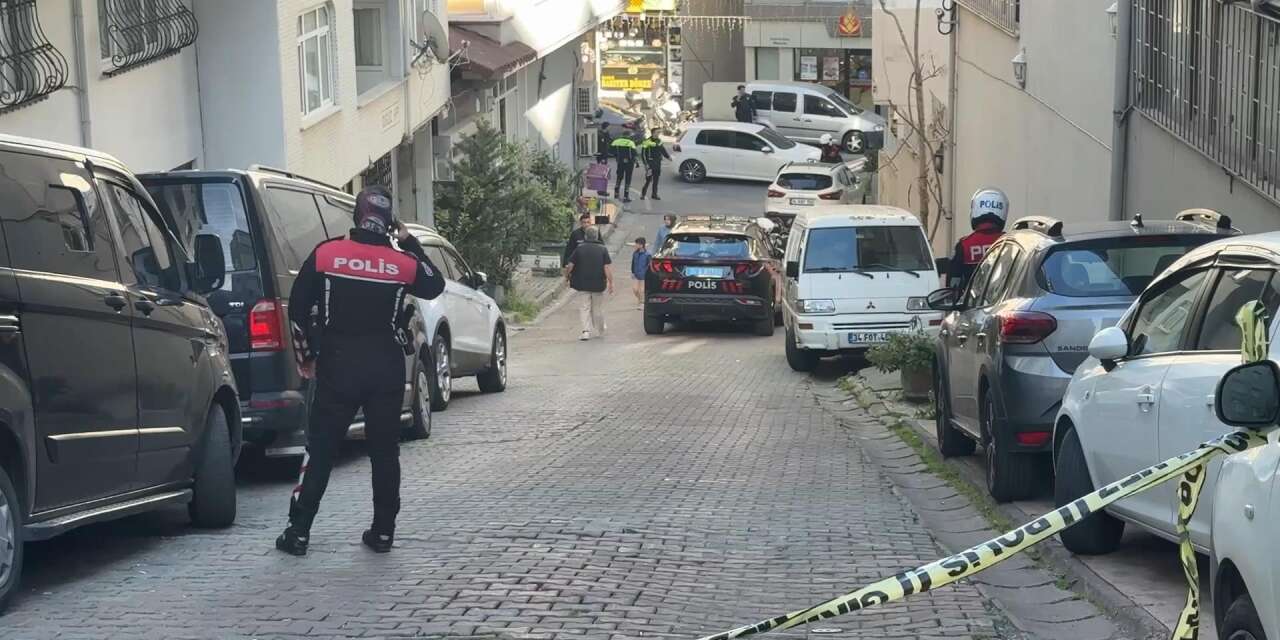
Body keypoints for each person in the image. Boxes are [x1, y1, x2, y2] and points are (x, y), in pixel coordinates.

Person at [276, 186, 446, 556]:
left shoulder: (326, 253)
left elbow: (298, 310)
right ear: (389, 223)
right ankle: (383, 532)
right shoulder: (402, 264)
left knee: (320, 449)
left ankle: (299, 532)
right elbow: (435, 284)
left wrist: (307, 356)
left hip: (337, 363)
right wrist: (410, 243)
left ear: (357, 216)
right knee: (385, 453)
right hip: (385, 367)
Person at [948, 187, 1009, 289]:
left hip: (971, 303)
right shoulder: (1009, 242)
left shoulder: (964, 245)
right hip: (1004, 302)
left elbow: (952, 285)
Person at [564, 226, 614, 340]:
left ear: (586, 236)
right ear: (596, 236)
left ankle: (585, 331)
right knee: (597, 308)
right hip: (598, 283)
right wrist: (611, 282)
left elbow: (570, 265)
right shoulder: (602, 249)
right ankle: (600, 329)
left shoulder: (579, 248)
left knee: (584, 307)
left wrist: (567, 276)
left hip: (582, 283)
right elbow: (606, 267)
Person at [639, 131, 671, 201]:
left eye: (658, 133)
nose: (658, 134)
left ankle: (654, 194)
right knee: (648, 180)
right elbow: (643, 154)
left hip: (657, 163)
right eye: (657, 133)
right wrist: (646, 164)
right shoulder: (646, 141)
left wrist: (668, 157)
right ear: (653, 133)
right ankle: (643, 194)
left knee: (656, 180)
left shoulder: (659, 141)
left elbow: (663, 150)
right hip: (650, 164)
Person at [611, 133, 639, 202]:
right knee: (628, 179)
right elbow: (634, 154)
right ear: (628, 136)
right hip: (629, 163)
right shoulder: (630, 143)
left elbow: (611, 150)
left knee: (619, 177)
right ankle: (626, 196)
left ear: (622, 135)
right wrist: (636, 162)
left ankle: (616, 194)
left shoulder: (616, 141)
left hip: (620, 162)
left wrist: (617, 156)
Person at [630, 237, 651, 310]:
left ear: (642, 245)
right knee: (635, 289)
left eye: (637, 244)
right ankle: (641, 300)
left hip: (643, 275)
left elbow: (649, 265)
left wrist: (647, 273)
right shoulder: (635, 253)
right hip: (636, 274)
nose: (635, 245)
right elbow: (633, 263)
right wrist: (632, 271)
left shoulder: (647, 255)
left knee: (641, 290)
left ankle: (642, 303)